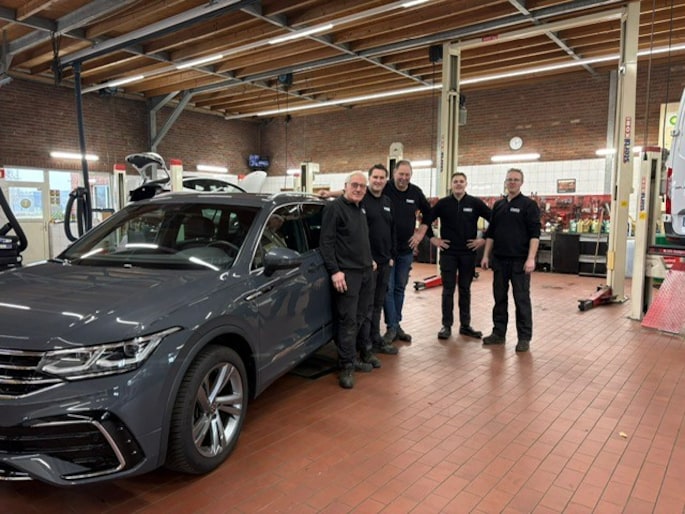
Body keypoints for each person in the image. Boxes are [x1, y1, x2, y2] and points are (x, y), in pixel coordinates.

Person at [320, 171, 381, 389]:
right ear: (345, 186)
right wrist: (335, 271)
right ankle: (346, 366)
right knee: (348, 321)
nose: (358, 189)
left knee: (361, 316)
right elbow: (326, 242)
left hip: (365, 271)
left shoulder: (360, 208)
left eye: (362, 186)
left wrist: (369, 259)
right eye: (354, 185)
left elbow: (359, 239)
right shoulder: (334, 208)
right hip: (347, 275)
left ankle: (352, 358)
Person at [480, 168, 541, 352]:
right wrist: (486, 255)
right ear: (505, 182)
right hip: (499, 260)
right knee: (499, 298)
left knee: (521, 299)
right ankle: (499, 333)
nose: (512, 182)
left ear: (521, 183)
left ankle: (524, 338)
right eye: (509, 179)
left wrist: (531, 259)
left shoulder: (529, 205)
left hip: (520, 262)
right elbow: (491, 234)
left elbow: (535, 235)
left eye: (516, 179)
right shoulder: (498, 206)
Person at [426, 172, 491, 340]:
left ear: (466, 184)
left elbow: (494, 219)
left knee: (465, 289)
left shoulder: (475, 203)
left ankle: (465, 326)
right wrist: (433, 239)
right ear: (451, 184)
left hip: (468, 253)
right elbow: (426, 219)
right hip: (448, 253)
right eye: (455, 181)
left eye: (461, 181)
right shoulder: (443, 204)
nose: (458, 184)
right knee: (448, 290)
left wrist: (483, 239)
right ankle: (446, 326)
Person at [382, 160, 432, 345]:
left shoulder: (415, 192)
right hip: (387, 251)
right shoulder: (385, 187)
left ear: (411, 176)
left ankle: (396, 325)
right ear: (394, 173)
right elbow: (360, 190)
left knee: (399, 288)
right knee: (388, 289)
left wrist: (420, 233)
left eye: (407, 175)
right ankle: (392, 326)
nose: (403, 178)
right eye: (401, 174)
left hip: (406, 251)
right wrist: (330, 194)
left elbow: (429, 213)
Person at [357, 164, 399, 355]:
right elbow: (358, 234)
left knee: (378, 304)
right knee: (366, 306)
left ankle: (375, 339)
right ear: (369, 178)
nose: (378, 181)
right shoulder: (361, 200)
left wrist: (391, 256)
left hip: (385, 262)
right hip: (368, 264)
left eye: (382, 178)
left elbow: (392, 230)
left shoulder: (387, 201)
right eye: (375, 177)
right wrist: (368, 259)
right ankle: (364, 344)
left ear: (386, 180)